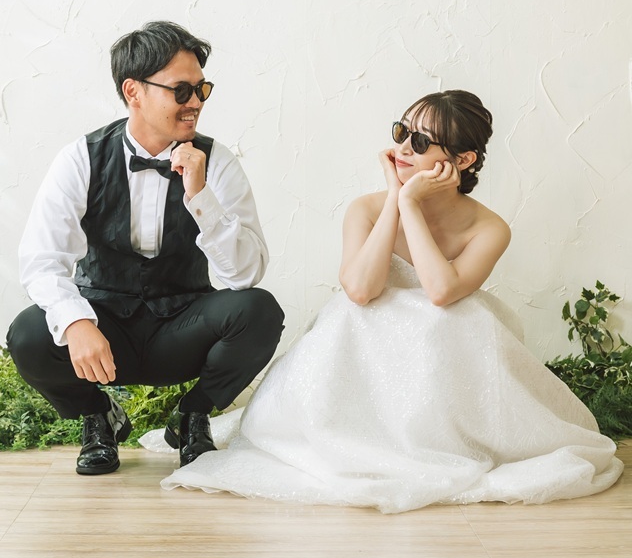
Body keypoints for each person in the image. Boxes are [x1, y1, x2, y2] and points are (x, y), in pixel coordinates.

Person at [158, 90, 623, 512]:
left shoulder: (489, 228)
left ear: (462, 159)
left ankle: (438, 444)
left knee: (452, 320)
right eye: (401, 132)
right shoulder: (365, 208)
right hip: (366, 343)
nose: (402, 148)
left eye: (420, 143)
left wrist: (411, 208)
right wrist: (396, 198)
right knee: (354, 315)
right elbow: (361, 289)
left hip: (446, 348)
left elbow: (441, 292)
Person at [7, 21, 284, 476]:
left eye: (202, 89)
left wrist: (200, 196)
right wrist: (76, 322)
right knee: (29, 334)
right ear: (133, 91)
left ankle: (192, 415)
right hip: (106, 328)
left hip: (180, 327)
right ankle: (99, 415)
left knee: (259, 310)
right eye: (181, 90)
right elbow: (41, 260)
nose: (196, 102)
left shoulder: (217, 162)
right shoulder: (81, 157)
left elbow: (245, 274)